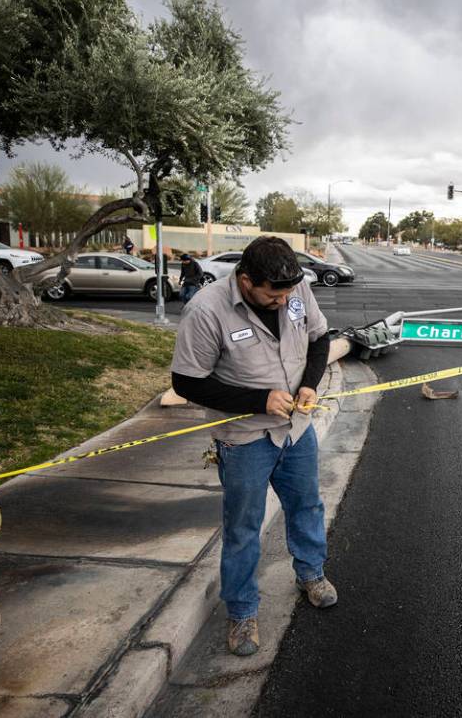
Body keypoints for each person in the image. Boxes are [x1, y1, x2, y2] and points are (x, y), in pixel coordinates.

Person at [170, 236, 335, 657]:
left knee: (307, 506)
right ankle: (242, 612)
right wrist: (257, 400)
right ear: (245, 281)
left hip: (296, 430)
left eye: (288, 293)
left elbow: (319, 340)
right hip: (244, 440)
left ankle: (311, 573)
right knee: (244, 527)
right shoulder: (206, 310)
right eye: (272, 294)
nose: (283, 301)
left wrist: (310, 384)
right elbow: (186, 382)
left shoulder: (295, 290)